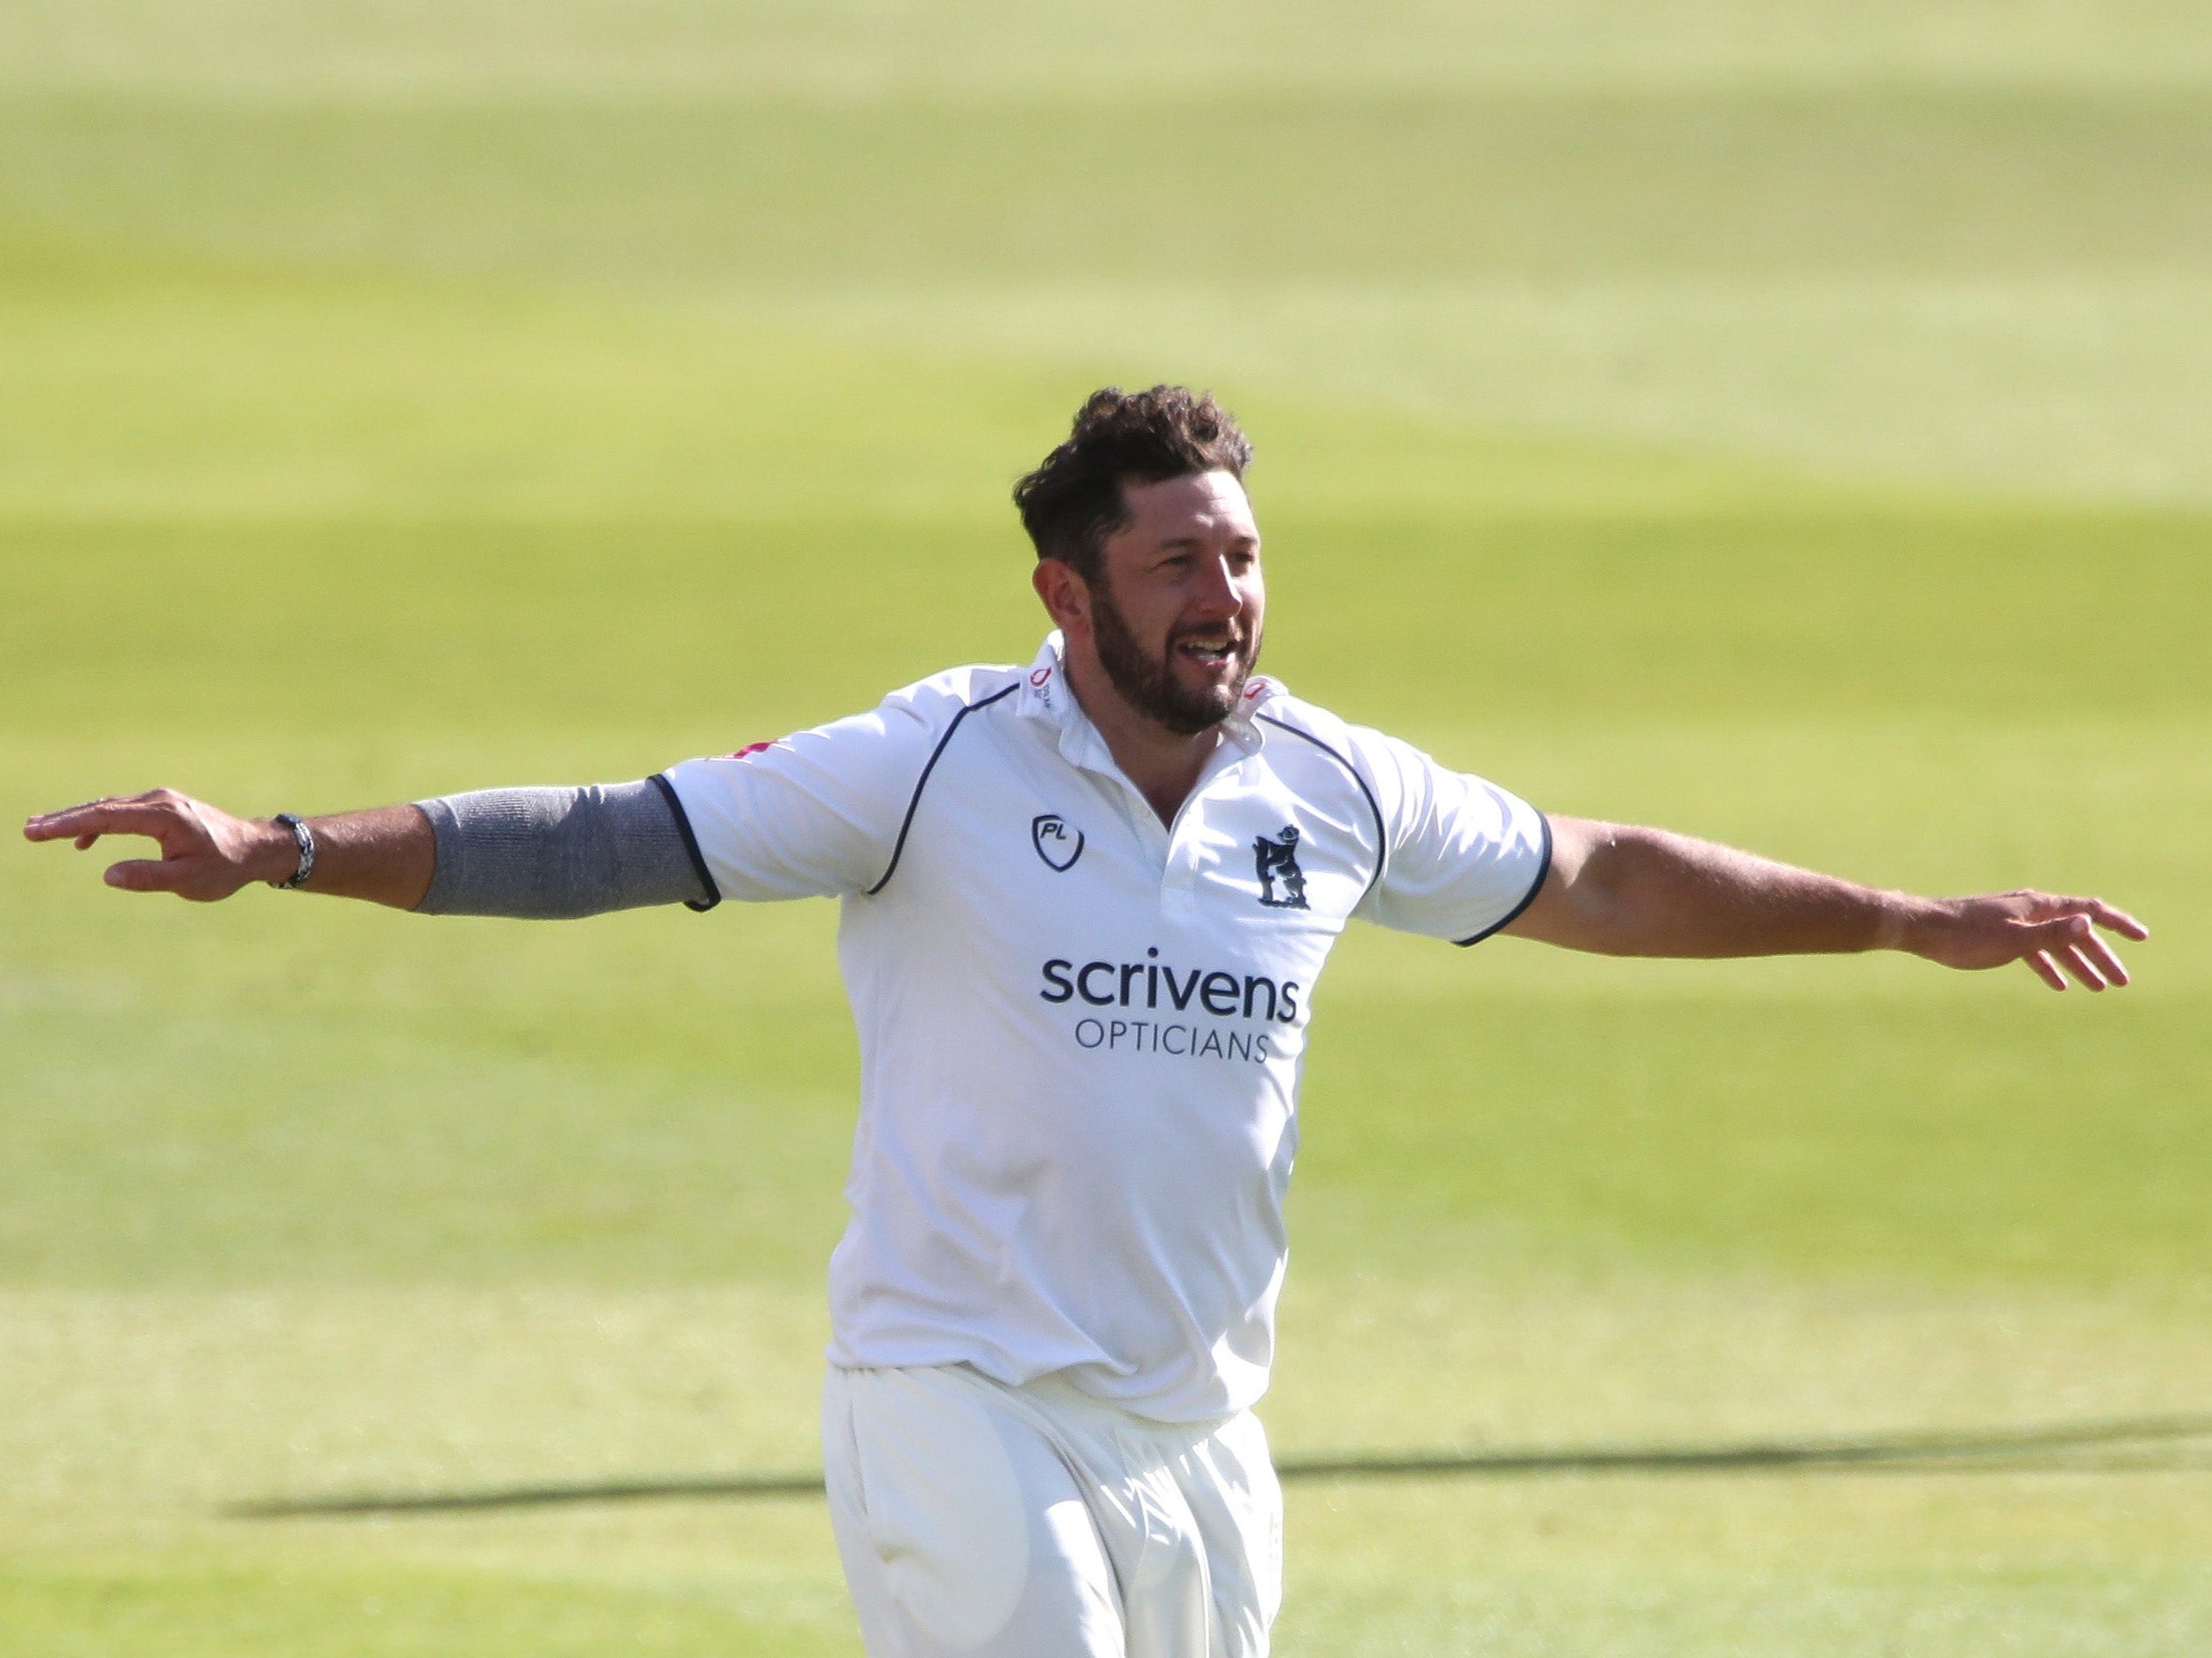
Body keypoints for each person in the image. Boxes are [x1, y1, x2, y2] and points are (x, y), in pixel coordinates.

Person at [24, 386, 2146, 1657]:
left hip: (1200, 1425)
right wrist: (285, 844)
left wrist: (1897, 919)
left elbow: (1586, 871)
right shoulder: (929, 759)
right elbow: (611, 834)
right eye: (1176, 564)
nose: (1221, 596)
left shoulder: (1325, 781)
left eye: (1240, 556)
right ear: (1067, 593)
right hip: (961, 1394)